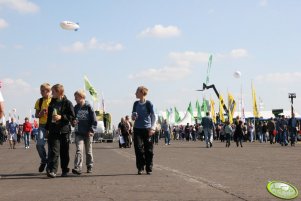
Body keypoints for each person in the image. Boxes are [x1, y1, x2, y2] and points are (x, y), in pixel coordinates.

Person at [45, 84, 75, 178]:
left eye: (53, 92)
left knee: (64, 152)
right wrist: (46, 129)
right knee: (54, 151)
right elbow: (49, 118)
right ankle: (53, 171)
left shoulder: (68, 103)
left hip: (64, 131)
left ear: (59, 92)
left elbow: (72, 116)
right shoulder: (51, 103)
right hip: (53, 131)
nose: (51, 93)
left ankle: (64, 170)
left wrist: (61, 117)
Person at [132, 86, 156, 175]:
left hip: (147, 129)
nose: (135, 94)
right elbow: (133, 116)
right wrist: (133, 116)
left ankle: (149, 167)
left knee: (149, 150)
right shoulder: (135, 104)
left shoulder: (148, 103)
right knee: (138, 149)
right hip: (137, 129)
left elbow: (153, 116)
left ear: (142, 93)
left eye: (136, 92)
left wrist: (152, 128)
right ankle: (140, 167)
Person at [72, 90, 97, 175]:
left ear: (81, 97)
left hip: (88, 133)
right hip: (79, 133)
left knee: (88, 151)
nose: (75, 99)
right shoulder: (75, 108)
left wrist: (91, 130)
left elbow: (94, 120)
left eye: (76, 97)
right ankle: (78, 167)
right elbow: (72, 119)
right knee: (79, 150)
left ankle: (89, 165)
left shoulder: (89, 106)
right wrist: (73, 122)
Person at [34, 83, 52, 172]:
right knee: (39, 145)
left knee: (51, 147)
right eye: (40, 90)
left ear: (48, 91)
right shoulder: (39, 101)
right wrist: (40, 113)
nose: (41, 92)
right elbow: (36, 115)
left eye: (42, 91)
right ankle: (44, 160)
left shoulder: (53, 100)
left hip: (52, 125)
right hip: (42, 125)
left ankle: (49, 165)